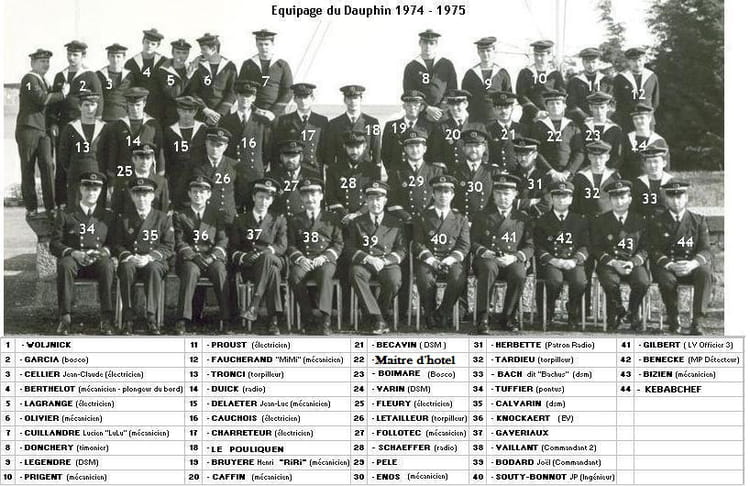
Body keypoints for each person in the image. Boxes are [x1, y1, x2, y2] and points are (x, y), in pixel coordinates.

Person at [49, 171, 115, 335]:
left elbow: (114, 243)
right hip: (75, 261)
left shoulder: (107, 215)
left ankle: (106, 318)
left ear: (100, 191)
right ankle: (65, 318)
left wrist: (102, 252)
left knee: (107, 265)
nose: (91, 193)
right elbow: (54, 244)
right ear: (80, 189)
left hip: (97, 261)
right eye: (87, 188)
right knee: (65, 265)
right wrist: (73, 253)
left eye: (95, 189)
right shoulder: (66, 214)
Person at [471, 173, 533, 334]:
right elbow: (473, 241)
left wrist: (515, 257)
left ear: (515, 194)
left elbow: (530, 246)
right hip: (488, 259)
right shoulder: (482, 215)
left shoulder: (522, 218)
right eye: (498, 193)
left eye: (506, 194)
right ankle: (483, 317)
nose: (502, 198)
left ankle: (509, 316)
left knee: (519, 273)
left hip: (511, 259)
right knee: (488, 269)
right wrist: (485, 252)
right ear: (493, 194)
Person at [648, 181, 712, 335]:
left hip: (690, 266)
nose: (676, 201)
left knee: (705, 273)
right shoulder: (656, 221)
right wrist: (670, 265)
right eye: (671, 197)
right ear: (666, 199)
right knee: (666, 280)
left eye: (679, 197)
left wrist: (692, 264)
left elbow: (705, 250)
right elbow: (654, 249)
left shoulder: (698, 220)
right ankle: (673, 317)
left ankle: (697, 321)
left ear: (686, 198)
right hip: (668, 266)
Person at [113, 177, 174, 335]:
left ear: (152, 196)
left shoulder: (163, 218)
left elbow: (168, 246)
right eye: (138, 195)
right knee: (125, 268)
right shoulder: (124, 218)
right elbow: (117, 244)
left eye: (145, 195)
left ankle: (151, 318)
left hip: (154, 261)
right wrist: (129, 256)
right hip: (132, 260)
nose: (142, 199)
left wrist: (150, 257)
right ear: (132, 196)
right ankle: (128, 318)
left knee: (153, 269)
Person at [173, 175, 231, 334]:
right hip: (191, 259)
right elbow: (179, 241)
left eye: (202, 192)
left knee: (220, 271)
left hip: (211, 257)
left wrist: (212, 257)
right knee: (190, 271)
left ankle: (226, 319)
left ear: (209, 194)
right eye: (195, 191)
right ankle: (182, 319)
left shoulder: (217, 214)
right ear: (189, 194)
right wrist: (194, 256)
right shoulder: (180, 215)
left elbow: (223, 240)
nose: (198, 195)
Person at [229, 178, 287, 335]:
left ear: (272, 200)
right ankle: (273, 320)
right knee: (272, 272)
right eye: (260, 197)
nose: (263, 201)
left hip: (273, 258)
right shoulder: (241, 219)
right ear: (253, 197)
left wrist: (265, 252)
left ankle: (254, 304)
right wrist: (243, 256)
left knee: (267, 259)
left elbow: (282, 246)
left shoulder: (278, 219)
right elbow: (232, 247)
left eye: (268, 198)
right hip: (250, 266)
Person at [287, 178, 344, 335]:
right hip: (304, 260)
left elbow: (338, 244)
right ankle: (308, 318)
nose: (310, 199)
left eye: (313, 194)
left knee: (325, 274)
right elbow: (290, 245)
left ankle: (326, 319)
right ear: (301, 197)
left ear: (321, 196)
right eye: (305, 195)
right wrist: (300, 259)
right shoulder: (295, 219)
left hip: (325, 261)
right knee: (294, 276)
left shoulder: (332, 218)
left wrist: (324, 257)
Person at [347, 181, 406, 335]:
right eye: (371, 199)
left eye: (379, 199)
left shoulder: (395, 223)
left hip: (386, 262)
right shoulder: (357, 222)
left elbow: (402, 249)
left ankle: (375, 315)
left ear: (385, 200)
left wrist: (385, 261)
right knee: (355, 273)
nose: (375, 203)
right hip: (365, 262)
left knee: (394, 279)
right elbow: (350, 248)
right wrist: (369, 258)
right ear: (366, 201)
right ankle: (379, 319)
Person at [592, 180, 650, 331]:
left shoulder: (640, 221)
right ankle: (616, 313)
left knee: (642, 281)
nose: (619, 202)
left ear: (630, 199)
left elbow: (645, 247)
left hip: (632, 263)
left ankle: (632, 312)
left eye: (623, 198)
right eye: (615, 198)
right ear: (610, 200)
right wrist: (613, 262)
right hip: (610, 264)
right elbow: (596, 248)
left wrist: (633, 262)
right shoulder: (600, 221)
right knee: (609, 282)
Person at [413, 175, 470, 330]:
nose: (443, 195)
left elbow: (464, 245)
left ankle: (443, 312)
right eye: (439, 192)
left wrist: (449, 260)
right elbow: (418, 243)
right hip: (429, 260)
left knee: (458, 279)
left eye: (446, 192)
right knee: (424, 279)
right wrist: (432, 260)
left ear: (452, 195)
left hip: (450, 260)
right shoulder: (422, 217)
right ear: (433, 194)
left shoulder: (460, 218)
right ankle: (429, 313)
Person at [534, 181, 589, 326]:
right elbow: (538, 246)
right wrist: (553, 260)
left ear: (571, 199)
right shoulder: (542, 220)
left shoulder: (580, 220)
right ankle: (548, 310)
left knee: (580, 281)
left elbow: (585, 245)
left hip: (572, 261)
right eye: (557, 196)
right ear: (551, 199)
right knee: (554, 281)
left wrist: (575, 260)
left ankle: (573, 311)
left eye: (565, 196)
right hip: (552, 262)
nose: (561, 200)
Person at [16, 48, 63, 217]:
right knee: (28, 167)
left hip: (43, 131)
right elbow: (41, 99)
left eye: (47, 61)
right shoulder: (29, 79)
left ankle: (51, 206)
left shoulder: (45, 81)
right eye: (42, 61)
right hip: (28, 128)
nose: (46, 64)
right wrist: (62, 94)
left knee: (48, 165)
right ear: (33, 63)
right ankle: (31, 207)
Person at [219, 80, 272, 212]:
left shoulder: (262, 122)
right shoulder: (225, 121)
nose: (244, 99)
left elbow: (267, 150)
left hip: (255, 174)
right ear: (237, 96)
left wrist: (261, 167)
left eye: (248, 96)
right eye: (241, 95)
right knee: (233, 211)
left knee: (253, 211)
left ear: (253, 98)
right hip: (233, 174)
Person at [104, 87, 165, 188]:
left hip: (146, 175)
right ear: (127, 105)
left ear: (144, 104)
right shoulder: (119, 125)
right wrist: (112, 182)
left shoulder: (152, 125)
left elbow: (159, 155)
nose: (134, 109)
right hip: (123, 176)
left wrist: (159, 176)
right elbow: (113, 154)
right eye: (131, 105)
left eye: (138, 105)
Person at [57, 90, 107, 207]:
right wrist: (72, 170)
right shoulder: (70, 128)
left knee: (97, 212)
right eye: (86, 105)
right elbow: (63, 155)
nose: (90, 109)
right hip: (76, 177)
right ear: (80, 107)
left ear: (97, 106)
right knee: (76, 211)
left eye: (93, 105)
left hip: (98, 175)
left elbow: (109, 153)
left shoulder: (105, 128)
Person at [387, 128, 444, 222]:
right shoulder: (396, 172)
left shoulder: (436, 171)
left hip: (429, 221)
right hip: (405, 222)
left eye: (418, 146)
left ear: (424, 149)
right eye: (411, 147)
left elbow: (441, 198)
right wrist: (407, 217)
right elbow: (392, 200)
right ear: (405, 149)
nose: (415, 150)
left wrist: (428, 217)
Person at [271, 83, 328, 175]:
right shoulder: (284, 121)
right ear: (294, 99)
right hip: (290, 170)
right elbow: (277, 149)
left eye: (306, 97)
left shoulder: (321, 121)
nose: (303, 101)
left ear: (312, 98)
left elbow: (325, 149)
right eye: (299, 97)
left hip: (314, 170)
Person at [325, 130, 381, 223]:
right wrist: (344, 215)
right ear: (344, 147)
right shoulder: (333, 169)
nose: (354, 151)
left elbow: (374, 195)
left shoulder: (373, 170)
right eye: (350, 147)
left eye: (358, 147)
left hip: (364, 218)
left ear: (364, 146)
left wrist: (359, 214)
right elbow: (330, 196)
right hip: (340, 218)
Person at [238, 29, 294, 122]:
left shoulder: (282, 65)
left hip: (276, 115)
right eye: (260, 44)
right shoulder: (248, 64)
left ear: (272, 44)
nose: (263, 47)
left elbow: (288, 91)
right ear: (256, 44)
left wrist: (273, 113)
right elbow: (241, 89)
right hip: (253, 113)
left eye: (266, 44)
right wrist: (255, 109)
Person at [402, 29, 457, 122]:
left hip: (443, 114)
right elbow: (409, 92)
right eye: (425, 43)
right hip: (420, 114)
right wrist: (427, 108)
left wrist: (443, 106)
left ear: (436, 44)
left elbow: (452, 89)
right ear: (420, 43)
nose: (428, 46)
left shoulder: (446, 64)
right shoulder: (411, 66)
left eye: (431, 43)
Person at [162, 96, 207, 209]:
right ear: (178, 110)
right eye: (183, 111)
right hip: (177, 179)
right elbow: (167, 157)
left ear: (195, 112)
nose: (186, 114)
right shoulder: (170, 131)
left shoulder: (203, 129)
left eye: (190, 111)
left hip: (198, 177)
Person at [531, 89, 584, 181]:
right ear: (546, 106)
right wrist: (551, 171)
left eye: (558, 103)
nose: (555, 106)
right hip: (545, 174)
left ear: (564, 106)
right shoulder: (539, 126)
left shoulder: (572, 126)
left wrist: (568, 171)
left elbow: (579, 152)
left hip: (568, 176)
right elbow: (536, 151)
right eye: (551, 104)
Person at [323, 85, 381, 167]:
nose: (352, 101)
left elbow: (376, 152)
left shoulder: (372, 123)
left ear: (361, 99)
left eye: (355, 98)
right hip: (341, 171)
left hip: (365, 171)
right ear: (344, 100)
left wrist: (376, 172)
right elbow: (330, 155)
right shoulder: (334, 124)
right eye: (349, 98)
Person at [449, 128, 499, 223]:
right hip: (460, 222)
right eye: (469, 146)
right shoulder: (454, 171)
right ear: (463, 148)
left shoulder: (493, 171)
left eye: (477, 146)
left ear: (484, 148)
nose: (473, 150)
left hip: (485, 223)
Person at [191, 127, 239, 223]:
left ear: (225, 147)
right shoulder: (195, 165)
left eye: (219, 145)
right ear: (206, 143)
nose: (214, 149)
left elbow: (240, 192)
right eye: (212, 144)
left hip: (227, 216)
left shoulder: (234, 166)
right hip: (203, 217)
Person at [187, 33, 237, 126]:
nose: (201, 52)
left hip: (222, 116)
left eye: (204, 49)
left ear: (213, 49)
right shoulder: (197, 66)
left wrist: (219, 114)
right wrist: (205, 110)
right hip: (201, 114)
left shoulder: (229, 66)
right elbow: (193, 91)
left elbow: (232, 92)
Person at [461, 36, 512, 123]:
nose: (485, 54)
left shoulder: (502, 73)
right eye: (482, 51)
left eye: (488, 51)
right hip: (476, 119)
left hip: (497, 120)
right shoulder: (471, 73)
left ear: (494, 51)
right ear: (478, 52)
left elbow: (509, 98)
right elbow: (465, 97)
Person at [110, 143, 170, 215]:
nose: (145, 162)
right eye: (141, 158)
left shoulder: (161, 182)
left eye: (148, 158)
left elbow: (164, 211)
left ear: (152, 160)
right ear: (134, 159)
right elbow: (115, 209)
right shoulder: (122, 181)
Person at [515, 40, 565, 126]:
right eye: (536, 55)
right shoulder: (525, 72)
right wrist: (536, 112)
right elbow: (521, 95)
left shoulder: (555, 74)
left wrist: (551, 111)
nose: (538, 58)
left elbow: (562, 95)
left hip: (550, 117)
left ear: (549, 56)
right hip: (529, 117)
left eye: (542, 55)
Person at [382, 91, 434, 172]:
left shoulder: (429, 127)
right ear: (403, 106)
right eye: (408, 105)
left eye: (416, 105)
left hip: (422, 172)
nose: (412, 108)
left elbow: (432, 151)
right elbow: (385, 152)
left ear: (421, 108)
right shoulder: (391, 126)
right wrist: (390, 171)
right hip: (398, 172)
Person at [427, 89, 478, 170]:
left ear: (465, 104)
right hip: (449, 171)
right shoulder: (442, 127)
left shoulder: (476, 125)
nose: (454, 108)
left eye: (458, 104)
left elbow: (484, 152)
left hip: (471, 170)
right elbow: (436, 153)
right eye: (451, 105)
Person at [613, 47, 660, 132]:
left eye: (640, 60)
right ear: (628, 61)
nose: (637, 64)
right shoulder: (620, 78)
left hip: (647, 121)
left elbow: (655, 101)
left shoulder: (652, 77)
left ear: (644, 60)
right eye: (634, 61)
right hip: (627, 121)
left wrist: (647, 115)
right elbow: (618, 101)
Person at [269, 139, 320, 217]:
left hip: (304, 220)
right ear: (281, 157)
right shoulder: (272, 177)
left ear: (301, 157)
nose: (290, 160)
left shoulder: (313, 175)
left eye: (294, 156)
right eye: (287, 156)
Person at [152, 39, 195, 127]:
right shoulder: (164, 70)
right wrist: (187, 77)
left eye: (184, 53)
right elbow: (172, 94)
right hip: (168, 112)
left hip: (188, 112)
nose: (181, 56)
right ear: (172, 53)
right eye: (178, 52)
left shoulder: (191, 68)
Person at [571, 141, 621, 218]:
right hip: (586, 219)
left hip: (607, 219)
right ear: (589, 157)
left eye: (601, 158)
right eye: (594, 157)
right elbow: (574, 203)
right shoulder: (580, 177)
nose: (597, 161)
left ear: (607, 157)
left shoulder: (614, 177)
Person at [620, 103, 668, 181]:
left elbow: (666, 168)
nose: (638, 121)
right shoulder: (626, 139)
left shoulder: (659, 141)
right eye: (635, 118)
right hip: (629, 182)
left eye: (642, 118)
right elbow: (620, 163)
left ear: (649, 118)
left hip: (651, 183)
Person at [124, 28, 167, 114]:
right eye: (147, 42)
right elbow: (128, 88)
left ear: (157, 45)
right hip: (137, 107)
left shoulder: (164, 62)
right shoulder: (131, 63)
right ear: (143, 42)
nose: (149, 46)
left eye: (153, 44)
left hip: (159, 107)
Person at [565, 48, 611, 126]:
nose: (591, 65)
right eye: (587, 62)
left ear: (599, 62)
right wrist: (585, 117)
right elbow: (571, 104)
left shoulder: (606, 80)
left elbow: (611, 102)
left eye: (593, 62)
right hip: (581, 120)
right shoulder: (575, 81)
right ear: (583, 63)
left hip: (603, 119)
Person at [509, 137, 551, 218]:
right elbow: (507, 201)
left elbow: (547, 204)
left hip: (537, 220)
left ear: (535, 155)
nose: (523, 158)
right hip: (515, 219)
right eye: (519, 155)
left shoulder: (544, 176)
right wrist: (531, 202)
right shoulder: (512, 176)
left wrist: (521, 205)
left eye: (526, 154)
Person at [581, 91, 622, 169]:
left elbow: (617, 154)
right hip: (586, 168)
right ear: (590, 108)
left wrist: (609, 169)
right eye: (595, 108)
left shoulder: (615, 129)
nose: (599, 111)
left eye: (602, 107)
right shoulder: (584, 127)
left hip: (608, 169)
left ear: (608, 108)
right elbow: (581, 151)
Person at [485, 91, 524, 173]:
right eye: (499, 108)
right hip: (496, 174)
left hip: (518, 174)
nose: (503, 111)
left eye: (506, 107)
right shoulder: (488, 131)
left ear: (512, 108)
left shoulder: (522, 129)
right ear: (494, 109)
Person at [632, 146, 673, 219]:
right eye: (649, 162)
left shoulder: (671, 183)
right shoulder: (638, 183)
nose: (652, 165)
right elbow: (634, 210)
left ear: (664, 163)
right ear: (644, 164)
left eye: (656, 161)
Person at [97, 43, 133, 122]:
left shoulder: (129, 76)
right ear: (108, 57)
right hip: (104, 117)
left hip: (123, 117)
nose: (115, 60)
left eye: (118, 56)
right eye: (112, 56)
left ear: (124, 57)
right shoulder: (99, 75)